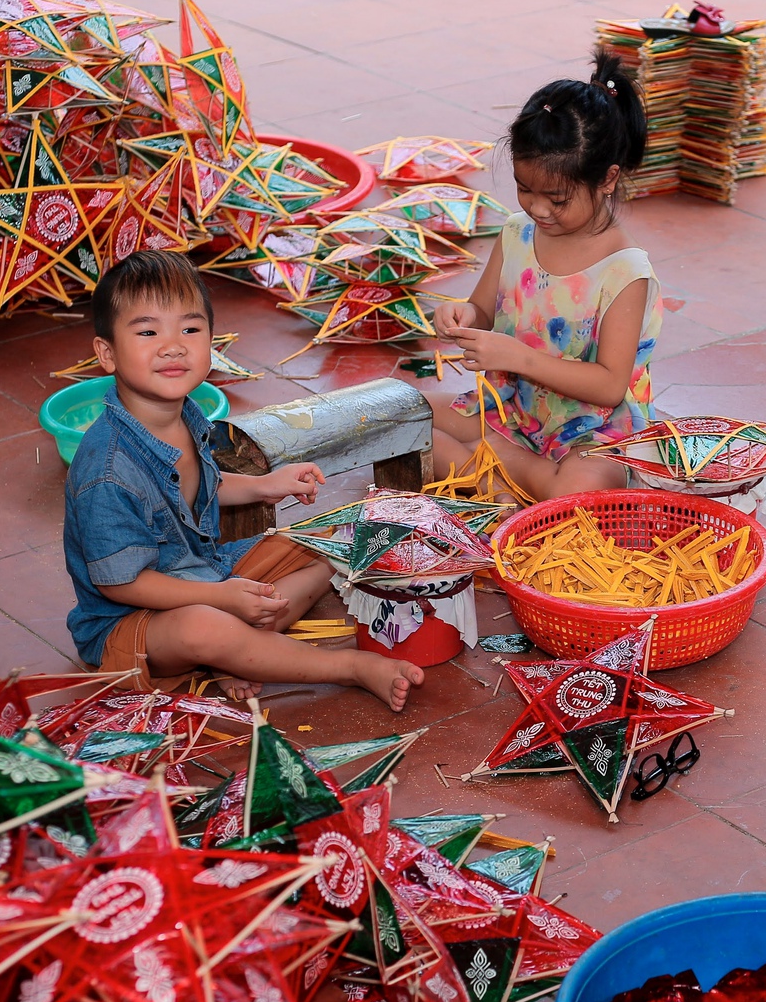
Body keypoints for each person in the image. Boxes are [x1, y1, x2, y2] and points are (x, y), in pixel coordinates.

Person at [62, 250, 422, 710]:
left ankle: (242, 649)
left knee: (334, 537)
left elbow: (194, 489)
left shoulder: (186, 414)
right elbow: (121, 585)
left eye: (190, 329)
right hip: (135, 623)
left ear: (212, 340)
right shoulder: (106, 470)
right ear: (107, 353)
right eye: (149, 331)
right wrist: (221, 598)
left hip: (210, 572)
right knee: (203, 628)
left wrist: (263, 485)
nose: (173, 346)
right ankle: (346, 667)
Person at [425, 53, 661, 500]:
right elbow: (482, 313)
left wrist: (520, 358)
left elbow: (610, 386)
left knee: (583, 484)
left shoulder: (624, 271)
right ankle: (503, 484)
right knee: (409, 420)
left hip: (589, 431)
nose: (537, 208)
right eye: (524, 188)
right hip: (512, 408)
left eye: (556, 198)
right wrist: (462, 315)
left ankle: (494, 478)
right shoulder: (517, 233)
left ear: (608, 179)